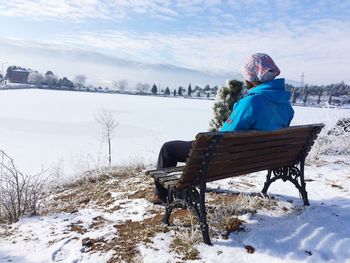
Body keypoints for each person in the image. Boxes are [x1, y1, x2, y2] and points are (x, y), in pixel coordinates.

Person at [148, 53, 294, 204]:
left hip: (227, 156)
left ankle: (161, 195)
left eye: (246, 75)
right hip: (264, 158)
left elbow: (223, 137)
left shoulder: (252, 102)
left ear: (251, 77)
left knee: (168, 149)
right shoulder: (285, 104)